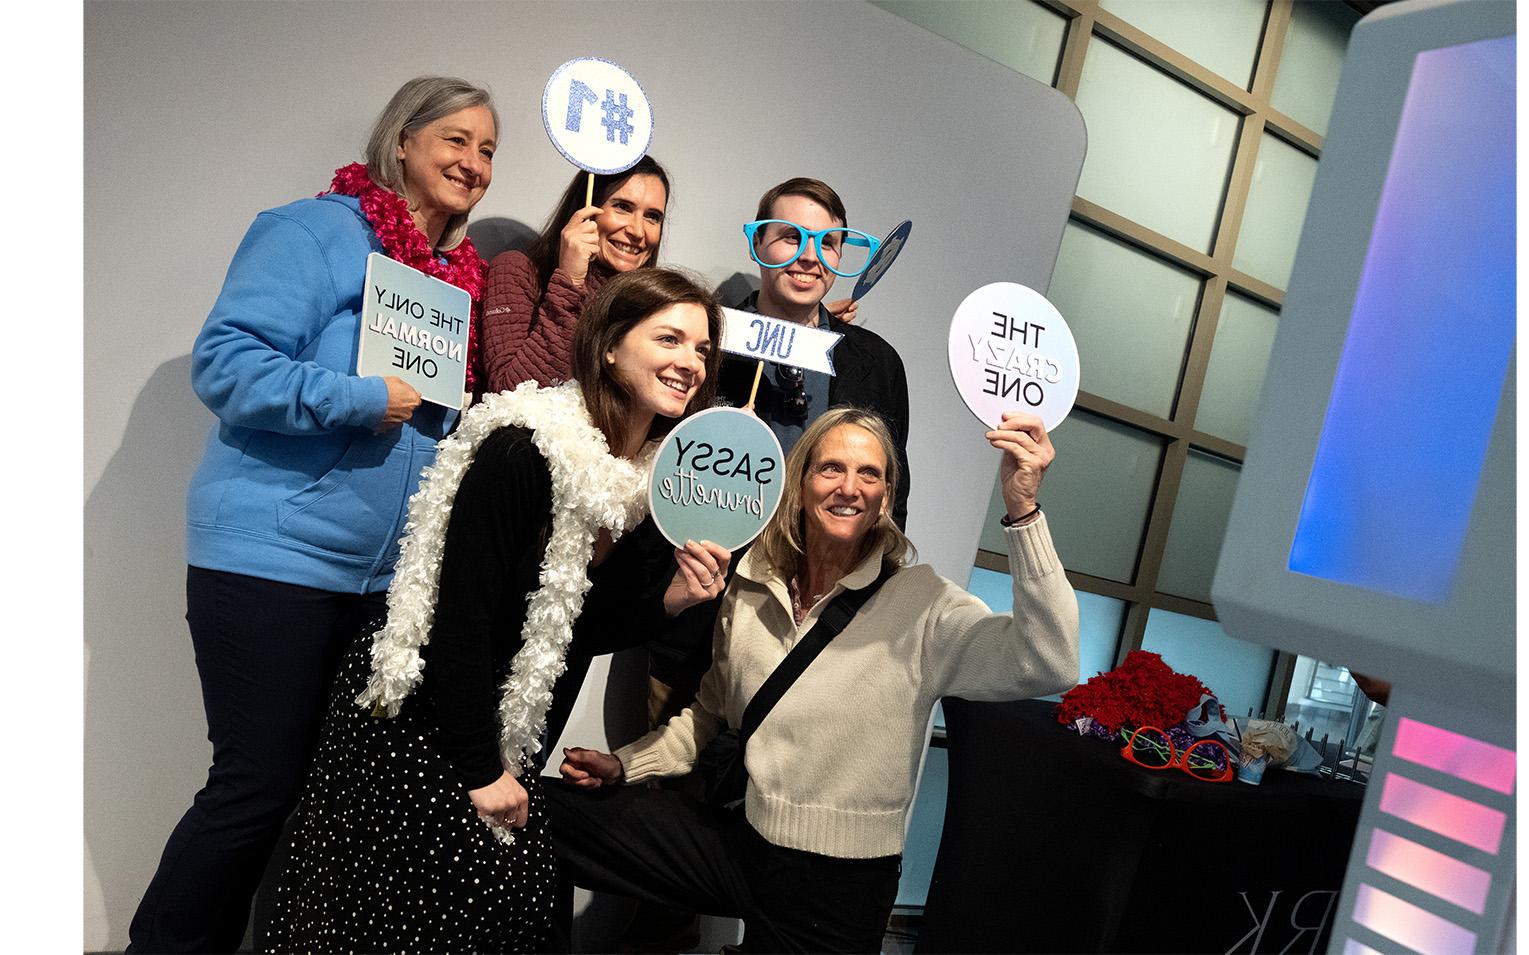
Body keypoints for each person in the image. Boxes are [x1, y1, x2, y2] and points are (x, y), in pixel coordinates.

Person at [128, 76, 499, 954]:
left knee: (325, 798)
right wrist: (357, 397)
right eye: (455, 139)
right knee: (255, 786)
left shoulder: (454, 278)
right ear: (400, 140)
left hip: (379, 582)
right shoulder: (313, 230)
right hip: (271, 555)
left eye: (488, 150)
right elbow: (223, 362)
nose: (474, 163)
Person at [264, 268, 730, 953]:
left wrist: (672, 600)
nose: (689, 361)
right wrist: (482, 769)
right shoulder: (521, 448)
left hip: (498, 725)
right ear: (607, 345)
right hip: (417, 718)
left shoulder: (645, 485)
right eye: (670, 337)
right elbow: (464, 621)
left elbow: (578, 629)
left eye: (702, 348)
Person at [551, 406, 1081, 953]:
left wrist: (1023, 511)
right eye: (831, 469)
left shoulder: (925, 605)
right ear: (800, 483)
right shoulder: (751, 583)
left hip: (839, 888)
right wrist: (626, 765)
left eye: (869, 473)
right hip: (742, 842)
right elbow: (709, 717)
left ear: (885, 497)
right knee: (537, 816)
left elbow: (1049, 661)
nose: (849, 487)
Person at [719, 177, 912, 528]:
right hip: (715, 563)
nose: (809, 257)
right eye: (792, 237)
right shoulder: (708, 344)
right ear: (756, 243)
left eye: (827, 243)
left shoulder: (879, 363)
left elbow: (891, 495)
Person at [481, 155, 671, 394]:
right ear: (585, 207)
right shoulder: (518, 271)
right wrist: (569, 283)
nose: (637, 231)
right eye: (623, 207)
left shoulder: (658, 309)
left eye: (652, 216)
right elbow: (512, 395)